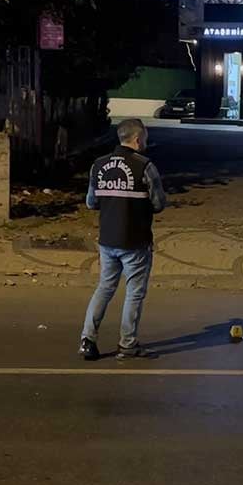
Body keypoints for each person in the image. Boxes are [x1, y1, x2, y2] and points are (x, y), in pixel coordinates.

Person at [78, 119, 167, 361]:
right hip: (135, 241)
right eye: (145, 139)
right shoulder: (145, 166)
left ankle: (88, 339)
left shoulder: (99, 165)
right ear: (137, 139)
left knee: (105, 288)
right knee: (134, 294)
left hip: (107, 239)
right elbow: (159, 204)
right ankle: (127, 344)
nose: (145, 143)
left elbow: (91, 202)